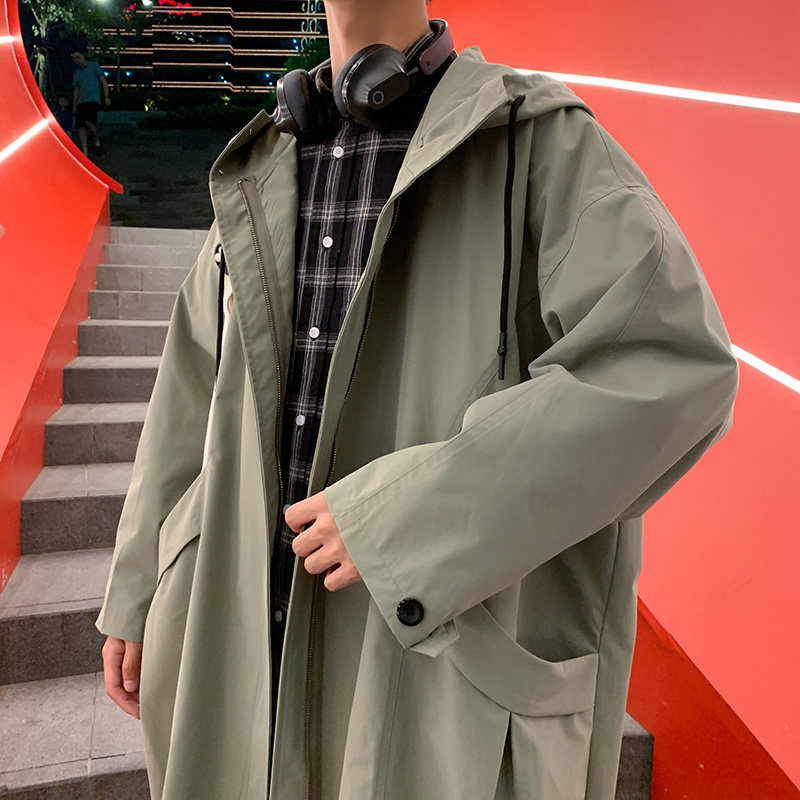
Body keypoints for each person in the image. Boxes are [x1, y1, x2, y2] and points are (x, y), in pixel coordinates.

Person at [94, 0, 740, 798]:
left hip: (429, 680)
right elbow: (188, 394)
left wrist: (408, 516)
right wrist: (139, 588)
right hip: (236, 646)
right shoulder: (263, 167)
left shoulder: (539, 143)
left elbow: (670, 365)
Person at [70, 48, 110, 156]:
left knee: (89, 121)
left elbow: (103, 80)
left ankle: (96, 139)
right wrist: (74, 104)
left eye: (78, 57)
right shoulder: (77, 73)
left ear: (83, 56)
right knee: (81, 126)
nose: (77, 60)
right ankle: (85, 150)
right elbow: (76, 89)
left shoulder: (94, 66)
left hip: (92, 99)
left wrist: (106, 96)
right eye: (74, 59)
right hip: (81, 101)